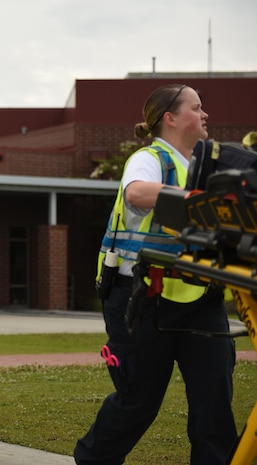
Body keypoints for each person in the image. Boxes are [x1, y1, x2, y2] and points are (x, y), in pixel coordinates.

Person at [73, 84, 238, 465]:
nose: (205, 114)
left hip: (202, 300)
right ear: (171, 118)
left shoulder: (203, 167)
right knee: (137, 404)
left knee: (214, 402)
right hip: (142, 299)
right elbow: (136, 194)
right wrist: (203, 201)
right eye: (197, 107)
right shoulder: (150, 159)